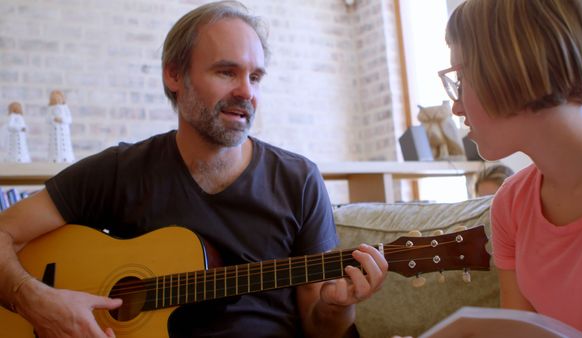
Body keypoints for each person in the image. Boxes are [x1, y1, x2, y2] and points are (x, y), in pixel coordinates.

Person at [0, 1, 387, 337]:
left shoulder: (299, 181)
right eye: (226, 72)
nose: (246, 91)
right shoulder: (121, 171)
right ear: (174, 75)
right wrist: (34, 301)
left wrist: (337, 307)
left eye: (255, 77)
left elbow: (321, 330)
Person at [438, 0, 582, 337]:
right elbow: (518, 331)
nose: (456, 106)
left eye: (461, 80)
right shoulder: (510, 205)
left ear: (512, 69)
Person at [47, 90, 75, 163]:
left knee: (64, 145)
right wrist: (53, 119)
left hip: (63, 132)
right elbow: (47, 119)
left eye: (58, 99)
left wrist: (62, 119)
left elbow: (69, 119)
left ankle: (66, 158)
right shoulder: (50, 109)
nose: (57, 102)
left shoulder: (65, 108)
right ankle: (54, 159)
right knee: (55, 145)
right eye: (54, 100)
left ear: (62, 99)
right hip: (54, 132)